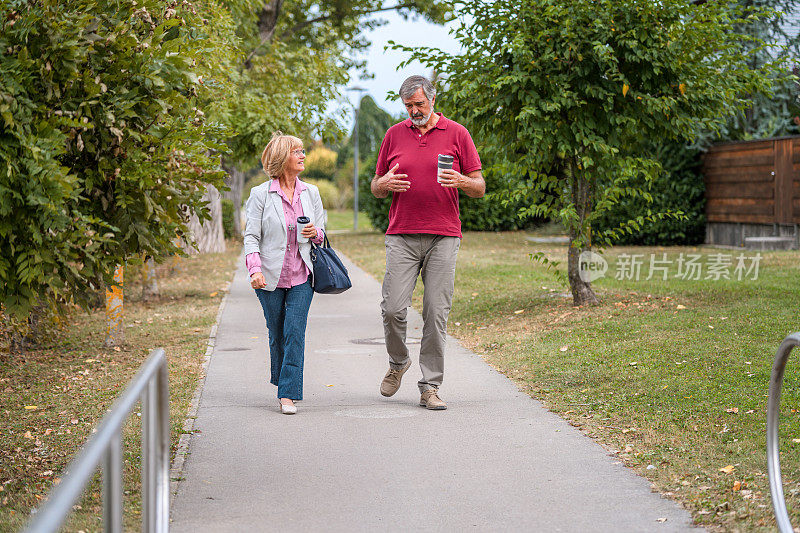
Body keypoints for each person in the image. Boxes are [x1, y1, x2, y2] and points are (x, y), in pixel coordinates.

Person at [371, 75, 485, 410]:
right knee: (392, 309)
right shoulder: (394, 134)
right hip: (402, 234)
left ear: (432, 99)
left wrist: (461, 180)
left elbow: (479, 186)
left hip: (443, 234)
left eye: (419, 104)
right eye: (408, 106)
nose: (414, 111)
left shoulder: (457, 133)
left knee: (436, 312)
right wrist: (385, 183)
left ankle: (429, 387)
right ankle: (398, 362)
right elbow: (376, 185)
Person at [244, 132, 325, 415]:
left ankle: (288, 394)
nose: (303, 155)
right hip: (269, 277)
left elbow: (322, 234)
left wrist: (316, 233)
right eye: (297, 152)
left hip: (303, 275)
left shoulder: (311, 193)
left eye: (303, 151)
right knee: (277, 333)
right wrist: (254, 270)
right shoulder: (260, 195)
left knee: (294, 332)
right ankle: (283, 381)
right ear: (282, 158)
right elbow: (251, 236)